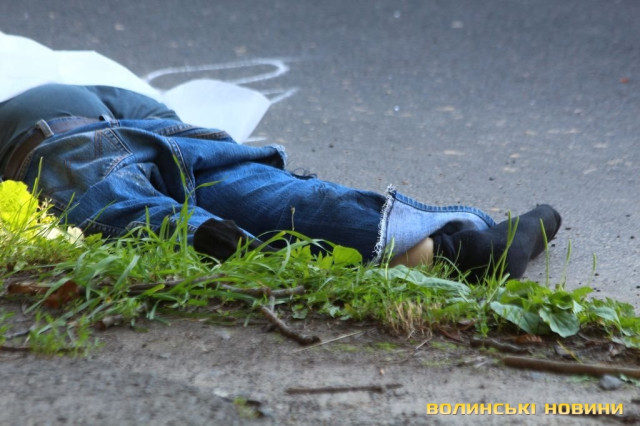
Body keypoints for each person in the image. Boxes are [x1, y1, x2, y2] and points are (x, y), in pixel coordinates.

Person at [0, 84, 561, 280]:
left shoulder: (46, 97)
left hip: (83, 144)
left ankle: (464, 247)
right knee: (275, 198)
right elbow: (164, 117)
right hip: (145, 142)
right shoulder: (63, 90)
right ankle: (457, 251)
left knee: (119, 202)